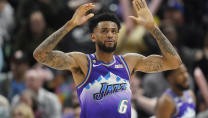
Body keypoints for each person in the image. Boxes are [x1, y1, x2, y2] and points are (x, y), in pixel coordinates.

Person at [33, 0, 182, 117]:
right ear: (93, 36)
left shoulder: (129, 62)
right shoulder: (83, 62)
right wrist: (69, 25)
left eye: (114, 31)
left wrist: (153, 27)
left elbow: (174, 62)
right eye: (104, 31)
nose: (110, 34)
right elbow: (40, 55)